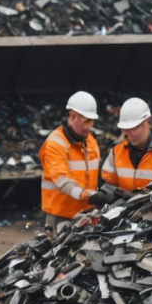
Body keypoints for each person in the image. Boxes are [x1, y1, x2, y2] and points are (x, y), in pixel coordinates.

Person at [39, 91, 112, 231]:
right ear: (72, 116)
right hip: (60, 216)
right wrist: (87, 195)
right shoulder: (55, 144)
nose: (90, 126)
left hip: (86, 215)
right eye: (86, 121)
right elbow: (61, 180)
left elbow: (96, 173)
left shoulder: (90, 141)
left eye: (92, 121)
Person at [100, 97, 152, 192]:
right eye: (125, 129)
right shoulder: (117, 152)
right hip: (123, 206)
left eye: (133, 128)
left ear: (148, 123)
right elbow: (108, 184)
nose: (128, 133)